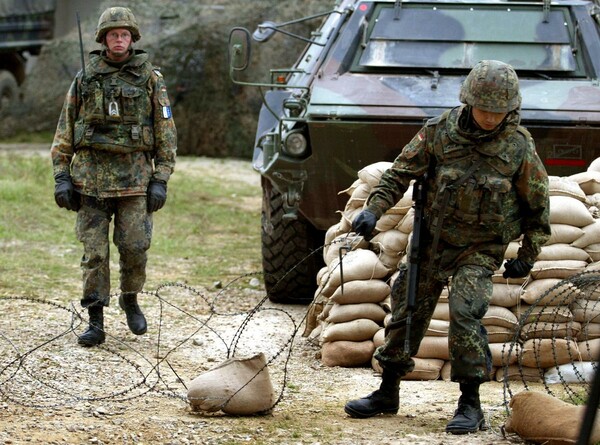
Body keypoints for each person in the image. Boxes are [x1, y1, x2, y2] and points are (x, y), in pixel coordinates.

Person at [344, 60, 550, 434]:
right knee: (406, 312)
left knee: (465, 315)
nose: (490, 118)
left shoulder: (519, 146)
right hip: (431, 243)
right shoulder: (439, 132)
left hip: (481, 249)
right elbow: (398, 173)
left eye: (498, 111)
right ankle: (387, 390)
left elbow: (537, 204)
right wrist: (373, 210)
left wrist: (527, 256)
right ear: (469, 102)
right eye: (484, 109)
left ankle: (470, 403)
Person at [50, 6, 177, 347]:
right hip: (89, 182)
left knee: (135, 248)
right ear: (103, 39)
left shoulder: (150, 79)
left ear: (132, 39)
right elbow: (65, 129)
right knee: (94, 254)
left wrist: (160, 178)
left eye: (124, 35)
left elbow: (166, 132)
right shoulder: (85, 78)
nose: (118, 40)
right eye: (112, 35)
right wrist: (62, 175)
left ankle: (130, 298)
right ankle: (95, 318)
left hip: (135, 181)